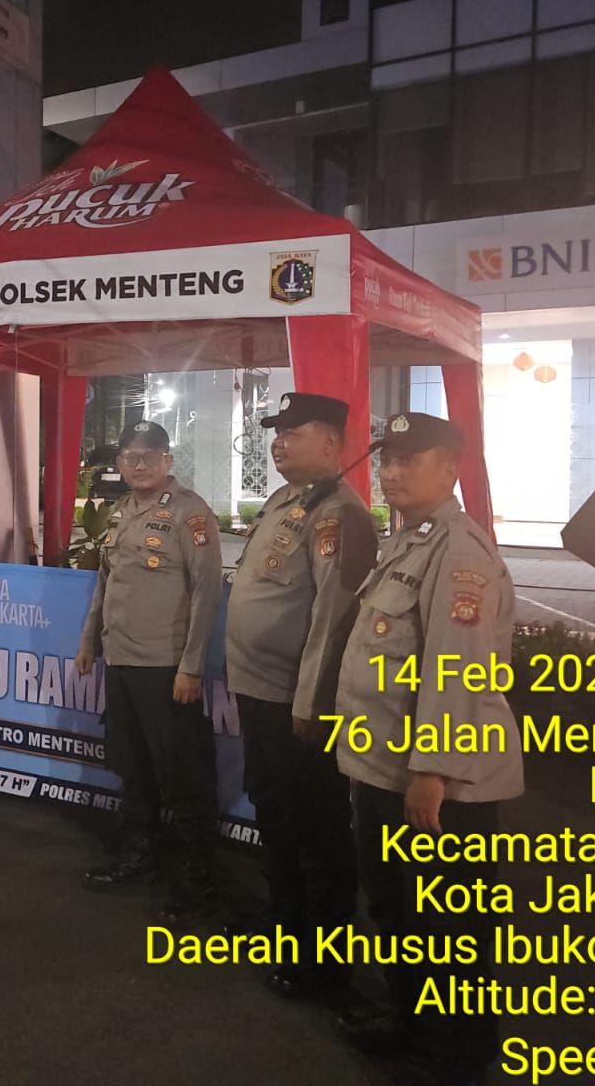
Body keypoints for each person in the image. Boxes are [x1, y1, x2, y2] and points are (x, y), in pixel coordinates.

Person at [333, 412, 523, 1086]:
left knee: (450, 931)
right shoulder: (410, 539)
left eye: (408, 461)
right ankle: (412, 1027)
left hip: (438, 786)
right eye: (386, 460)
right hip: (388, 769)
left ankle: (458, 1061)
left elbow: (458, 667)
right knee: (399, 910)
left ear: (449, 469)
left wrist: (433, 770)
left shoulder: (458, 551)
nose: (390, 473)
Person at [224, 392, 376, 1001]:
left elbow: (333, 619)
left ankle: (325, 961)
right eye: (276, 431)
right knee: (274, 813)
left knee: (316, 829)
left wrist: (310, 703)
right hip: (259, 691)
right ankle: (288, 926)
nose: (278, 441)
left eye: (293, 431)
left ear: (332, 442)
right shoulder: (287, 501)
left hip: (297, 703)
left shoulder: (340, 515)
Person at [74, 420, 223, 920]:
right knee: (132, 767)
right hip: (121, 661)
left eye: (149, 456)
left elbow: (206, 593)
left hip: (166, 669)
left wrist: (191, 667)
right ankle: (140, 855)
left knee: (183, 778)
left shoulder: (189, 514)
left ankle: (197, 884)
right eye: (129, 457)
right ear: (119, 463)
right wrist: (89, 642)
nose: (138, 465)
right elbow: (105, 583)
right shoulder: (120, 512)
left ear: (167, 461)